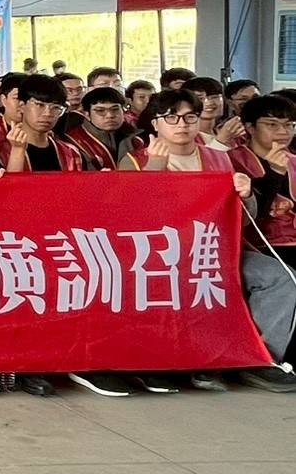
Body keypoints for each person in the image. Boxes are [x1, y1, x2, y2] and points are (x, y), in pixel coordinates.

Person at [117, 89, 293, 393]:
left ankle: (259, 358)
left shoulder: (218, 158)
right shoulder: (134, 160)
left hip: (217, 247)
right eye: (172, 117)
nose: (182, 125)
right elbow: (134, 218)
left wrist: (246, 195)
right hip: (161, 253)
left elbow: (244, 218)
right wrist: (154, 170)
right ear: (155, 124)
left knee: (281, 277)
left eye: (190, 117)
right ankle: (196, 360)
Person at [233, 95, 296, 269]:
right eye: (272, 124)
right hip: (259, 245)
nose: (283, 132)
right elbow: (251, 214)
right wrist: (275, 173)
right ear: (250, 127)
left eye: (289, 125)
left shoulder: (293, 161)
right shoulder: (233, 161)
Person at [0, 74, 83, 174]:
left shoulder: (70, 153)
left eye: (56, 108)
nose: (47, 113)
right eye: (39, 105)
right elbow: (10, 185)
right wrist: (17, 150)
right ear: (22, 106)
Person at [66, 87, 142, 171]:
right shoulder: (73, 142)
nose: (110, 115)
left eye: (115, 109)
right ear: (87, 115)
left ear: (123, 111)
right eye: (100, 110)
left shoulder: (136, 140)